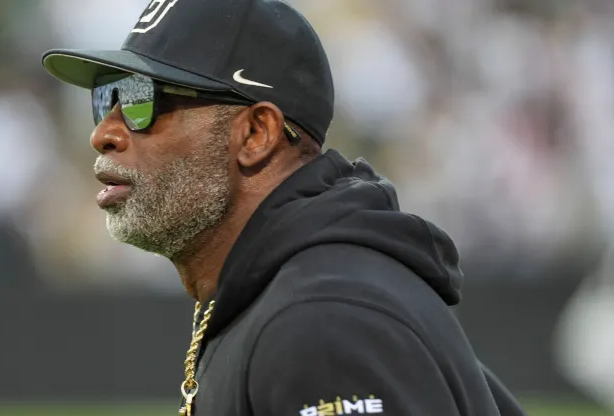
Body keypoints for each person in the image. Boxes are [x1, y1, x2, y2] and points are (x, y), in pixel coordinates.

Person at [42, 0, 526, 415]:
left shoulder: (322, 321)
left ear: (256, 135)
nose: (103, 132)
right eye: (106, 98)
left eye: (139, 100)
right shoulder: (286, 295)